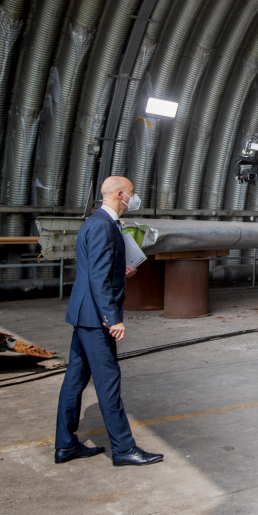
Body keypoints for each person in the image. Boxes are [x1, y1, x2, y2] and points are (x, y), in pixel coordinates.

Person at [54, 176, 163, 467]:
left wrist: (120, 269)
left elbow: (95, 267)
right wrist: (112, 318)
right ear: (119, 194)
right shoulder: (104, 226)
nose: (134, 197)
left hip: (82, 315)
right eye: (132, 193)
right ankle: (124, 449)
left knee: (74, 382)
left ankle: (65, 445)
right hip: (95, 318)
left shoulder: (94, 222)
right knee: (108, 382)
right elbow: (97, 279)